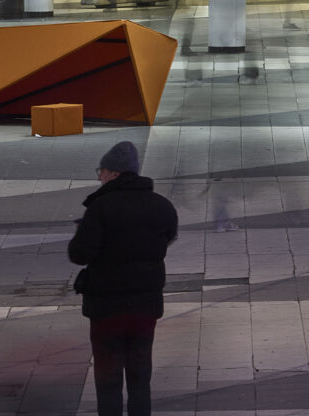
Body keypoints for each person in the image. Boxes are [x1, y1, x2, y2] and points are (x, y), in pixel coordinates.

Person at [68, 140, 178, 416]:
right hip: (145, 306)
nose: (99, 176)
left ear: (115, 173)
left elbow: (80, 254)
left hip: (107, 307)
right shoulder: (161, 206)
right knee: (140, 375)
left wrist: (84, 232)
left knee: (108, 377)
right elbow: (167, 239)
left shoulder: (100, 208)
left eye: (102, 170)